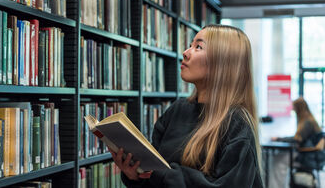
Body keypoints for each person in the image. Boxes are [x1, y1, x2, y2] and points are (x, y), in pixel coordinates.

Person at [109, 24, 264, 187]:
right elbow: (154, 177)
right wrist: (136, 176)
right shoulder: (176, 111)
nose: (185, 52)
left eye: (198, 47)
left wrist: (165, 174)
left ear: (222, 62)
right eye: (190, 45)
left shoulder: (237, 124)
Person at [269, 97, 323, 188]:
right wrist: (280, 138)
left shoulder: (307, 122)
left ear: (299, 108)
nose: (292, 109)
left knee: (277, 160)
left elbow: (297, 139)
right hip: (309, 154)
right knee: (279, 157)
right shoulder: (308, 120)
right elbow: (297, 138)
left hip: (307, 157)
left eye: (294, 107)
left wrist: (278, 139)